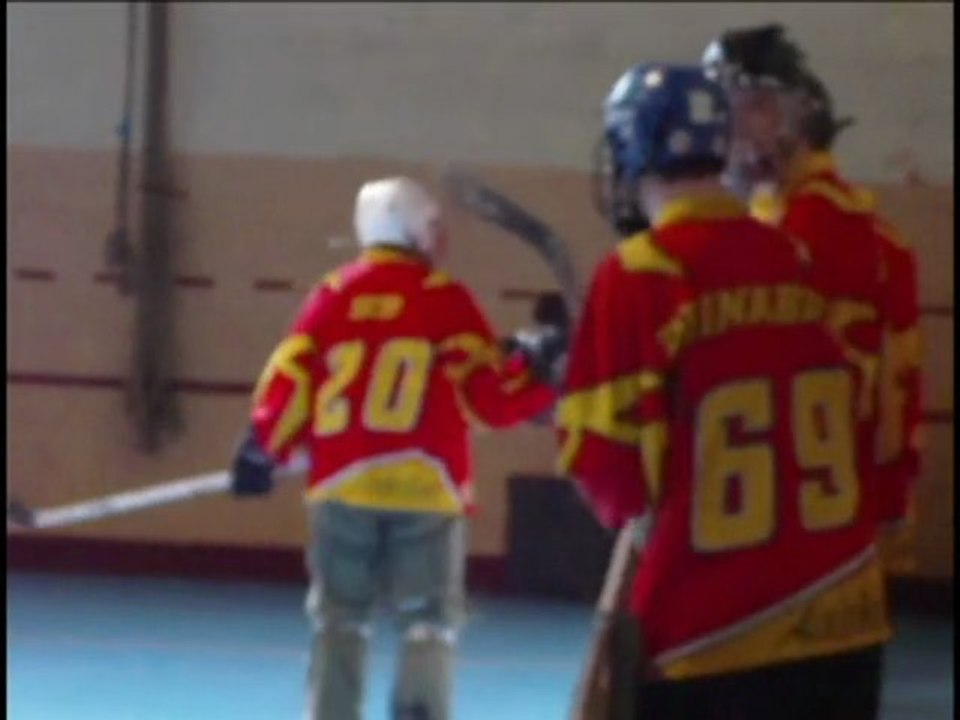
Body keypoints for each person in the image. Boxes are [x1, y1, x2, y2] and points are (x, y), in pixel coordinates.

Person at [558, 63, 895, 719]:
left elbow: (611, 477)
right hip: (846, 615)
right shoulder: (794, 255)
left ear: (632, 152)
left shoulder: (642, 272)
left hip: (712, 633)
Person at [229, 177, 557, 720]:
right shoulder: (445, 299)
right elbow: (491, 400)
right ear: (414, 229)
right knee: (428, 623)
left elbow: (288, 383)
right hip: (427, 489)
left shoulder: (331, 296)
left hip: (342, 488)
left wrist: (262, 446)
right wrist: (541, 373)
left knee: (340, 620)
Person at [701, 25, 922, 538]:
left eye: (752, 105)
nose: (730, 127)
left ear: (797, 116)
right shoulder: (861, 223)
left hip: (795, 507)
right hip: (848, 495)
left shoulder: (798, 229)